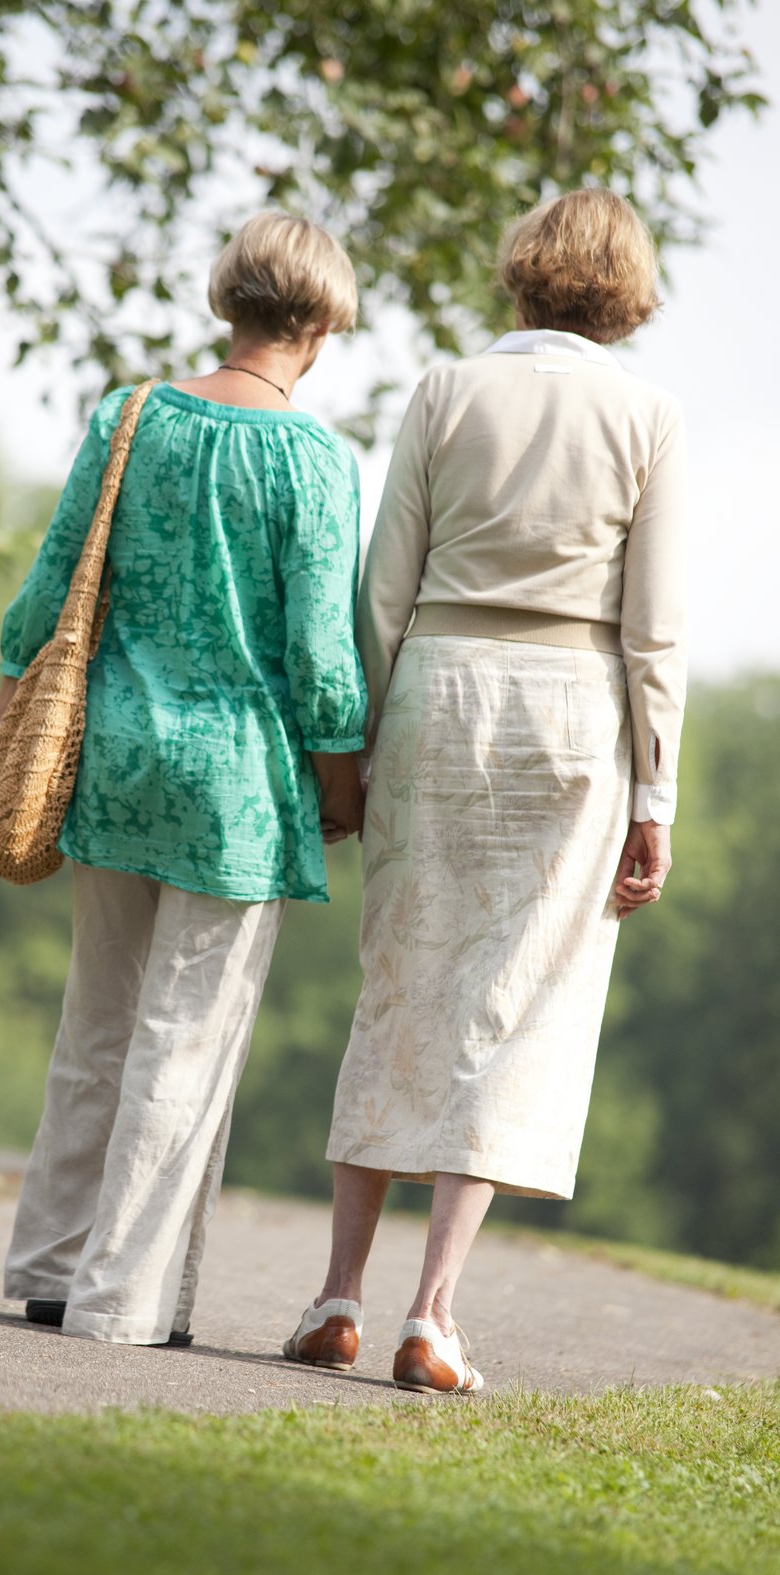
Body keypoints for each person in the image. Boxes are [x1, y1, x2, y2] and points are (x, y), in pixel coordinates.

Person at [284, 189, 688, 1393]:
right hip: (574, 706)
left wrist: (351, 752)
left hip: (439, 690)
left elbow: (380, 591)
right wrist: (656, 794)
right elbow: (655, 628)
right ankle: (432, 1314)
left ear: (521, 270)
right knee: (524, 1004)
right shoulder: (648, 413)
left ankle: (336, 1293)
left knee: (398, 978)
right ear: (629, 288)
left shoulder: (447, 390)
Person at [0, 211, 367, 1347]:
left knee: (95, 1022)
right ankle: (120, 1301)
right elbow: (322, 664)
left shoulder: (129, 414)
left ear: (224, 300)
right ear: (325, 325)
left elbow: (48, 591)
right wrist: (344, 787)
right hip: (234, 789)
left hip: (112, 756)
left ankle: (48, 1265)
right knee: (184, 1038)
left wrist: (2, 735)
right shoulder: (316, 461)